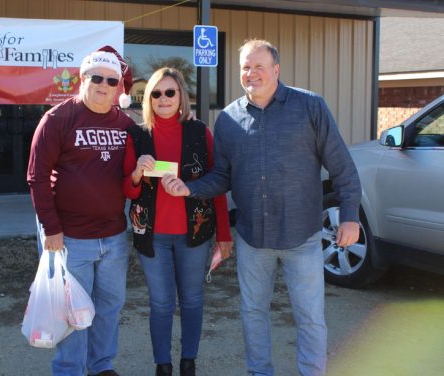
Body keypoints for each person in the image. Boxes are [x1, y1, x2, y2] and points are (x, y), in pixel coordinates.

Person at [161, 39, 361, 376]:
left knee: (310, 316)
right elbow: (222, 177)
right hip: (253, 238)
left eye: (259, 67)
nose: (251, 74)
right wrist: (189, 188)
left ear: (276, 70)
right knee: (253, 312)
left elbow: (342, 167)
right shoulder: (228, 119)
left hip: (303, 235)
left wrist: (350, 217)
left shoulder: (310, 107)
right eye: (245, 68)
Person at [26, 45, 134, 376]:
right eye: (96, 78)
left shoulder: (125, 124)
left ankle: (101, 366)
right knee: (72, 312)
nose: (104, 85)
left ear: (119, 87)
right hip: (71, 238)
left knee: (109, 308)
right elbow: (37, 177)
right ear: (82, 78)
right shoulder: (57, 119)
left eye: (111, 80)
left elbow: (139, 171)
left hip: (115, 236)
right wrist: (51, 229)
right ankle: (70, 369)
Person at [122, 67, 233, 376]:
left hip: (193, 234)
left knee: (193, 299)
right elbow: (127, 189)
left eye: (170, 92)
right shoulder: (137, 135)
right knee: (160, 303)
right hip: (152, 235)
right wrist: (136, 173)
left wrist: (224, 236)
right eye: (156, 93)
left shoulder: (199, 132)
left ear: (181, 95)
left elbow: (217, 185)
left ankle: (188, 362)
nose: (163, 98)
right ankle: (163, 365)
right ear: (149, 99)